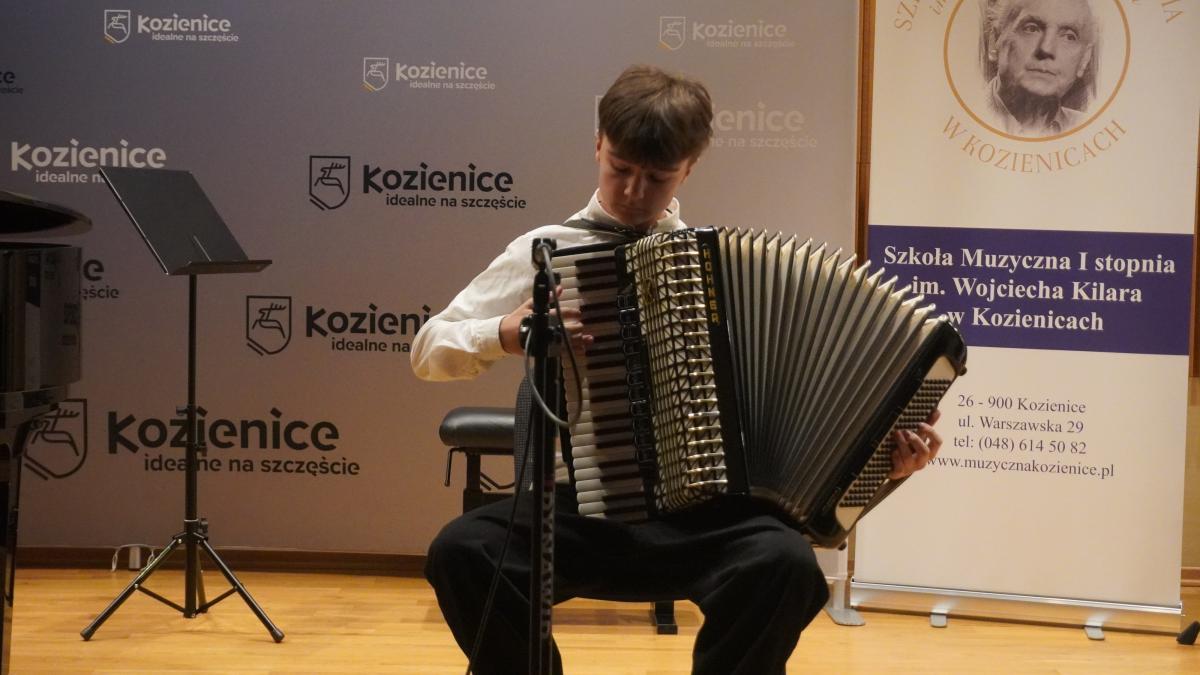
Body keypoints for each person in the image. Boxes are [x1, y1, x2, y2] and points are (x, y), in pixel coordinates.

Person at [412, 64, 942, 675]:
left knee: (787, 565)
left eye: (657, 177)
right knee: (462, 551)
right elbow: (428, 350)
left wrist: (882, 469)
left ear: (688, 168)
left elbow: (801, 449)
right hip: (580, 514)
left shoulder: (721, 272)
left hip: (703, 520)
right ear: (597, 145)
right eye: (620, 169)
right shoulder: (548, 251)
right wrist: (504, 333)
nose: (634, 192)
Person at [982, 0, 1097, 137]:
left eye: (1069, 37)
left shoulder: (1090, 130)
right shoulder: (968, 113)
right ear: (994, 41)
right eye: (1031, 29)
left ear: (1084, 59)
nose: (1046, 49)